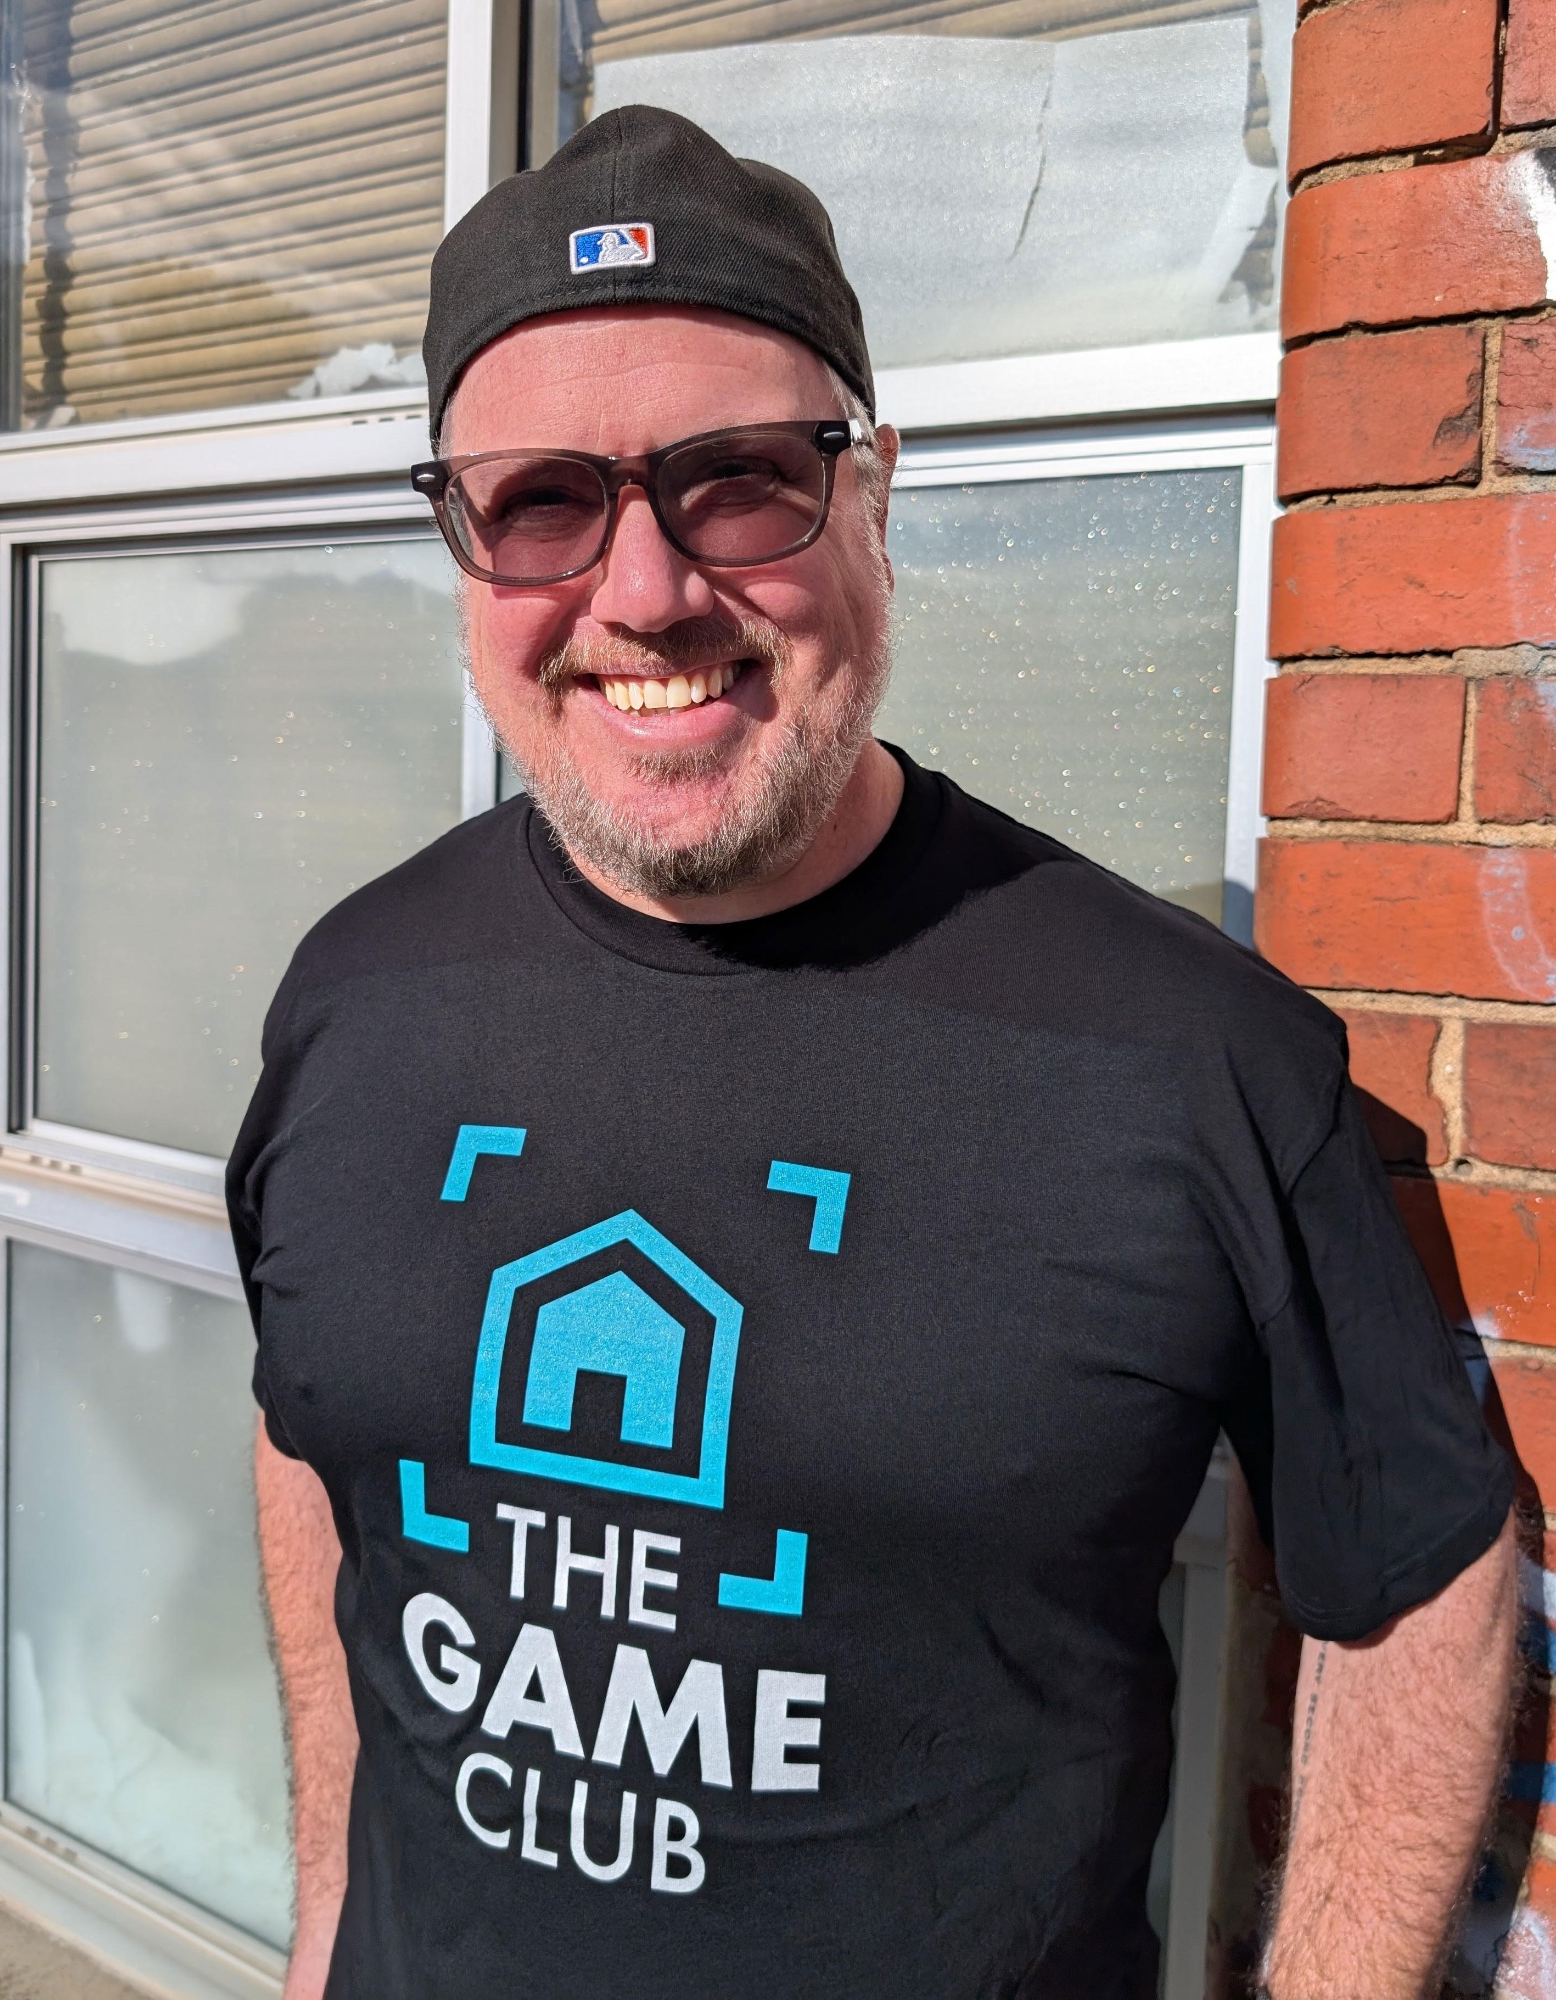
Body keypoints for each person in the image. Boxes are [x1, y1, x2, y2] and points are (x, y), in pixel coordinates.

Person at [228, 106, 1517, 2000]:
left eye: (738, 481)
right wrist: (326, 1927)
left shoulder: (1184, 1055)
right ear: (463, 546)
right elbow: (309, 1433)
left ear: (875, 494)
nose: (646, 592)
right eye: (542, 504)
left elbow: (1418, 1588)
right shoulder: (355, 991)